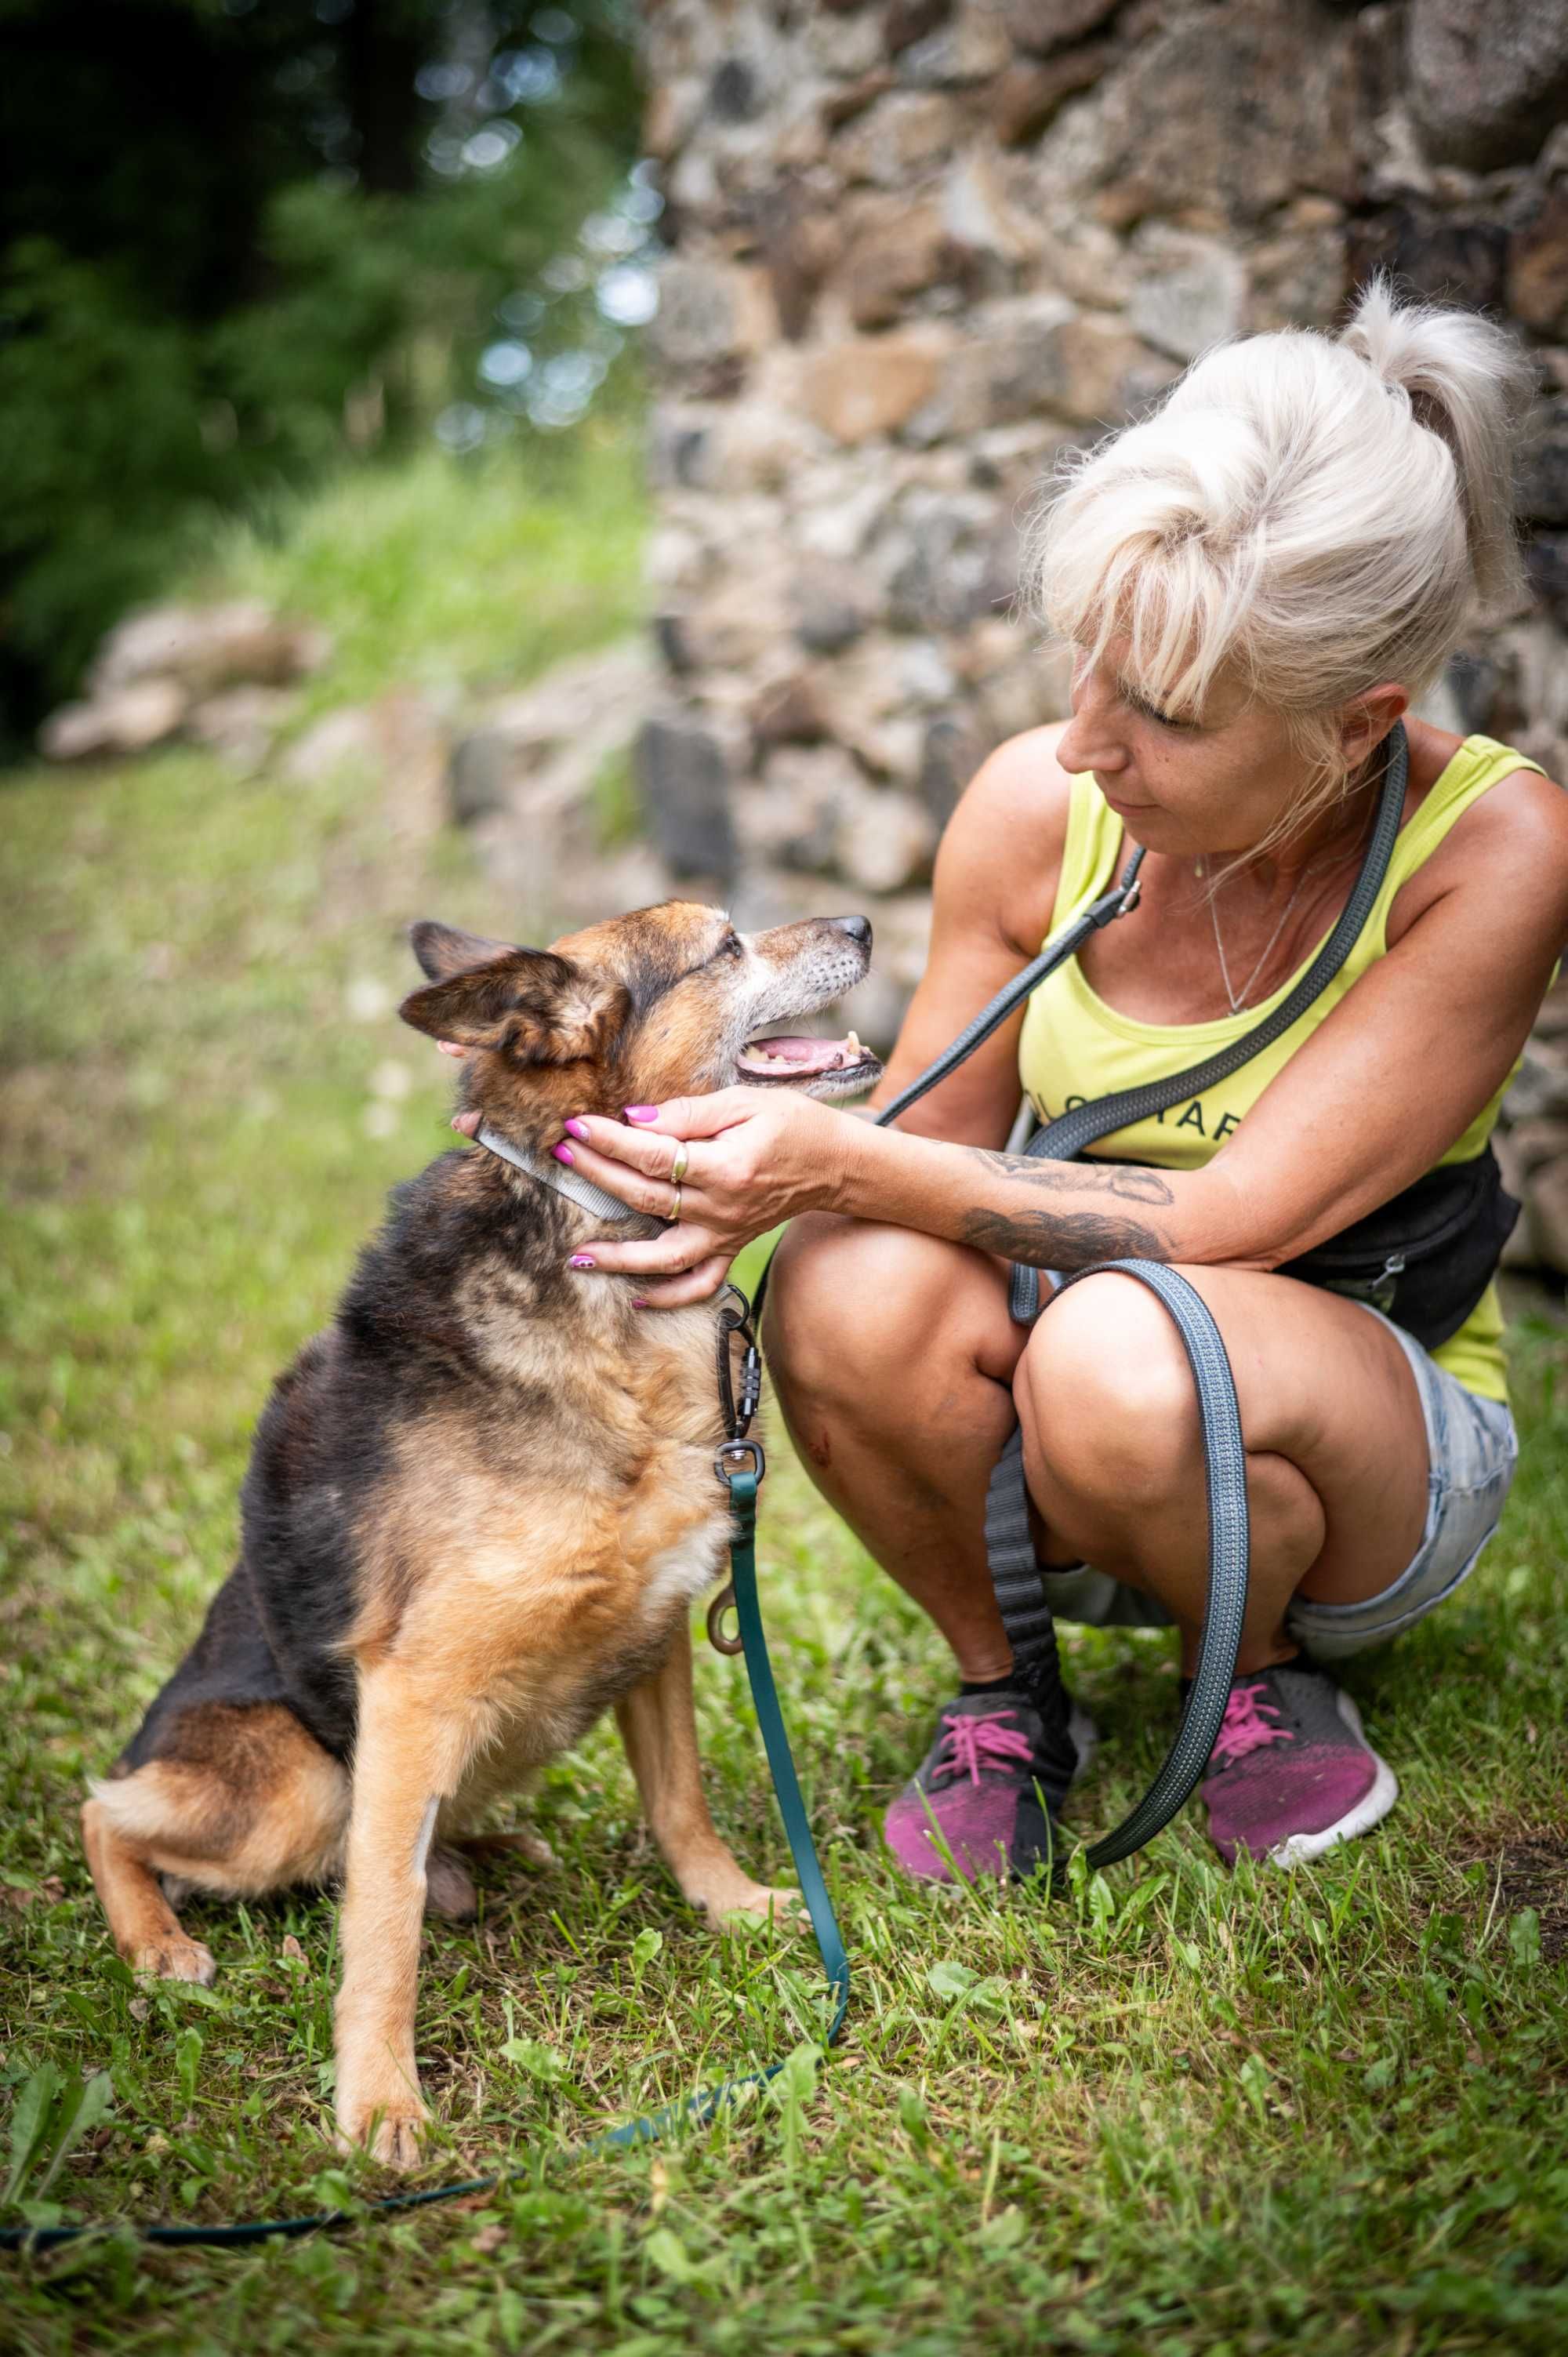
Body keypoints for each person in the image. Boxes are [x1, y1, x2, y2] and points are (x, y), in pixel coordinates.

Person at [500, 280, 1568, 1876]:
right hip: (1075, 1413)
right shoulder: (1030, 810)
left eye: (1160, 715)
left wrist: (830, 1159)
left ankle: (1265, 1683)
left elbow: (1231, 1220)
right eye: (1085, 672)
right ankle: (1006, 1695)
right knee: (844, 1285)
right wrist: (753, 1181)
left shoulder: (1492, 851)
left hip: (1354, 1443)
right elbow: (922, 1173)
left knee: (1119, 1347)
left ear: (1355, 730)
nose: (1081, 745)